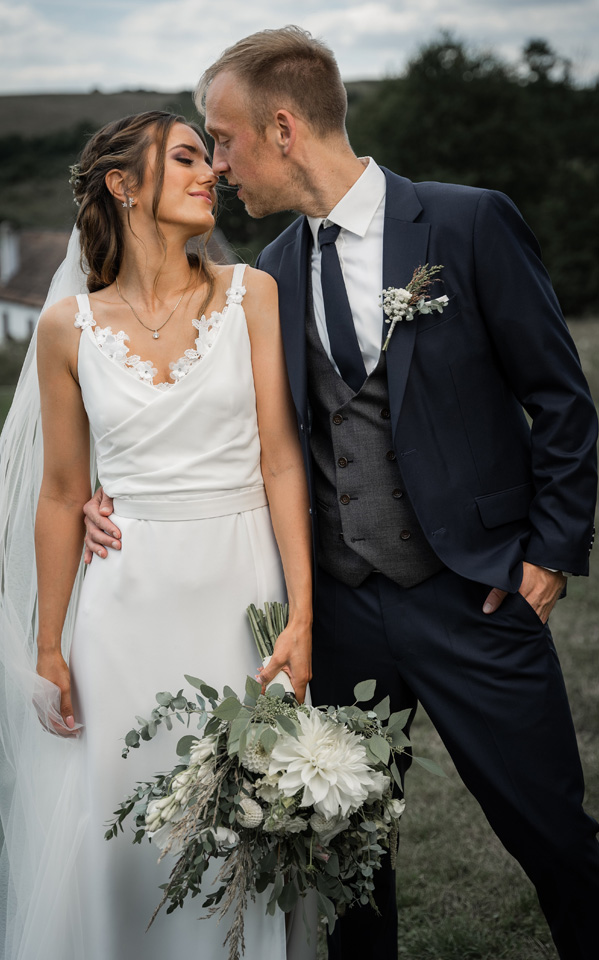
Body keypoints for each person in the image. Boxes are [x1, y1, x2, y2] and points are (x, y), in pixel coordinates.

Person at [83, 27, 599, 960]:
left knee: (555, 837)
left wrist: (550, 553)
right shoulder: (268, 274)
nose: (217, 165)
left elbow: (560, 399)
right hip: (342, 615)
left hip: (476, 592)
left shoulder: (467, 223)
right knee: (349, 859)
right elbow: (206, 414)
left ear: (283, 129)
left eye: (223, 139)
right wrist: (105, 493)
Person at [0, 110, 315, 960]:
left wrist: (300, 613)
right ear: (122, 184)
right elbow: (62, 493)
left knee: (244, 824)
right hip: (122, 608)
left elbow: (282, 461)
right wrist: (50, 646)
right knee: (127, 831)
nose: (210, 171)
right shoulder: (67, 327)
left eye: (208, 158)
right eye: (184, 158)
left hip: (241, 589)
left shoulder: (251, 293)